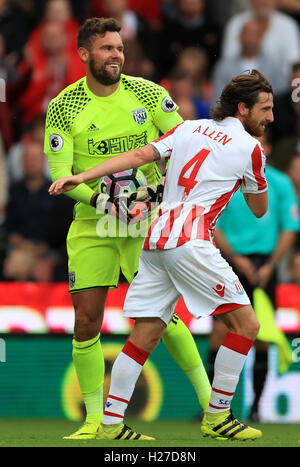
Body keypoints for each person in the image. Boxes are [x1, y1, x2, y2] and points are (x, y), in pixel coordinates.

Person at [49, 69, 273, 441]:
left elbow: (139, 155)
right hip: (192, 241)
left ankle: (111, 422)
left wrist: (81, 175)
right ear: (243, 108)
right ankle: (218, 414)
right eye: (265, 109)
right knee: (247, 326)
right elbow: (260, 209)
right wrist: (256, 174)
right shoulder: (250, 148)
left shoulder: (189, 128)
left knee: (146, 334)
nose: (270, 117)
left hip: (155, 240)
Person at [44, 17, 211, 440]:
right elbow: (61, 177)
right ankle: (96, 422)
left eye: (118, 48)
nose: (115, 55)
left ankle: (212, 406)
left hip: (146, 222)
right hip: (93, 223)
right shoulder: (64, 107)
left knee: (163, 316)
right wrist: (104, 202)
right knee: (87, 322)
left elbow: (185, 147)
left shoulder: (148, 93)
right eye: (106, 49)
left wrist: (154, 196)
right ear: (84, 55)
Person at [211, 134, 299, 422]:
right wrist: (236, 258)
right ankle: (212, 407)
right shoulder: (225, 181)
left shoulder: (281, 183)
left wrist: (272, 264)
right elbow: (215, 226)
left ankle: (257, 407)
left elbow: (289, 226)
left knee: (261, 336)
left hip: (264, 266)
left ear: (268, 148)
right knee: (220, 334)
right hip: (229, 263)